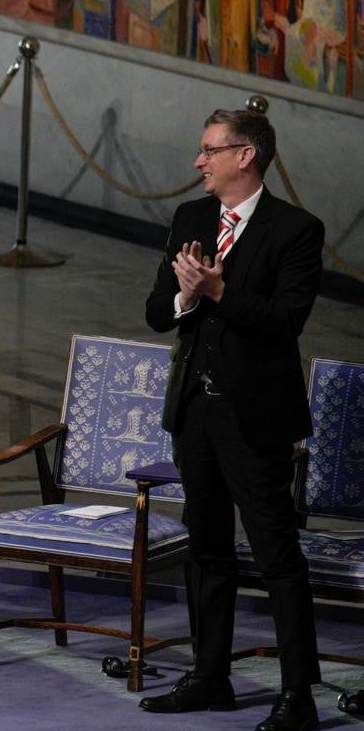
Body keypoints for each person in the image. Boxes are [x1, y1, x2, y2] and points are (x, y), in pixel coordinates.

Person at [141, 108, 323, 731]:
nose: (199, 161)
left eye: (210, 150)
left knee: (276, 554)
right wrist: (185, 295)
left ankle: (298, 695)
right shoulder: (191, 220)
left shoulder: (295, 230)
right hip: (194, 410)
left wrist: (219, 293)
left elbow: (284, 320)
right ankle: (209, 676)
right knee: (207, 548)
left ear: (245, 156)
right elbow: (155, 313)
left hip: (256, 418)